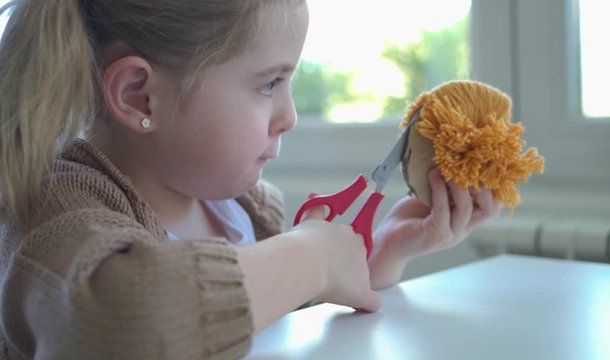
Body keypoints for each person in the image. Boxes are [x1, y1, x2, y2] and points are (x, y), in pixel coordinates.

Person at [0, 0, 501, 359]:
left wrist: (383, 251)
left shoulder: (246, 209)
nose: (290, 116)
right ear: (138, 96)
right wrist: (311, 255)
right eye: (268, 84)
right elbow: (116, 322)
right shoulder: (56, 209)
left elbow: (269, 310)